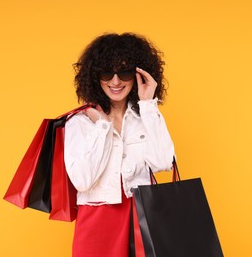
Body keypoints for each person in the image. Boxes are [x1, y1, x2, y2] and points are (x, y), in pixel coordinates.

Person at [64, 32, 175, 257]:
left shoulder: (146, 116)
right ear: (96, 76)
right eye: (107, 72)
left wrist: (148, 104)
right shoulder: (80, 122)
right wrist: (103, 127)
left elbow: (164, 162)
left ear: (137, 75)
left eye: (124, 72)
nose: (115, 81)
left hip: (143, 218)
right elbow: (82, 181)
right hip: (97, 220)